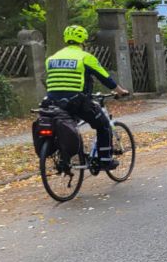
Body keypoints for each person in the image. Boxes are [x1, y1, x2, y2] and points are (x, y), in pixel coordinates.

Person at [44, 25, 129, 168]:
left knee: (68, 124)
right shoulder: (85, 57)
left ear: (66, 39)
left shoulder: (51, 58)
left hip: (52, 102)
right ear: (83, 40)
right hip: (76, 102)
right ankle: (105, 160)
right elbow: (105, 78)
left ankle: (67, 155)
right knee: (103, 125)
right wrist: (120, 91)